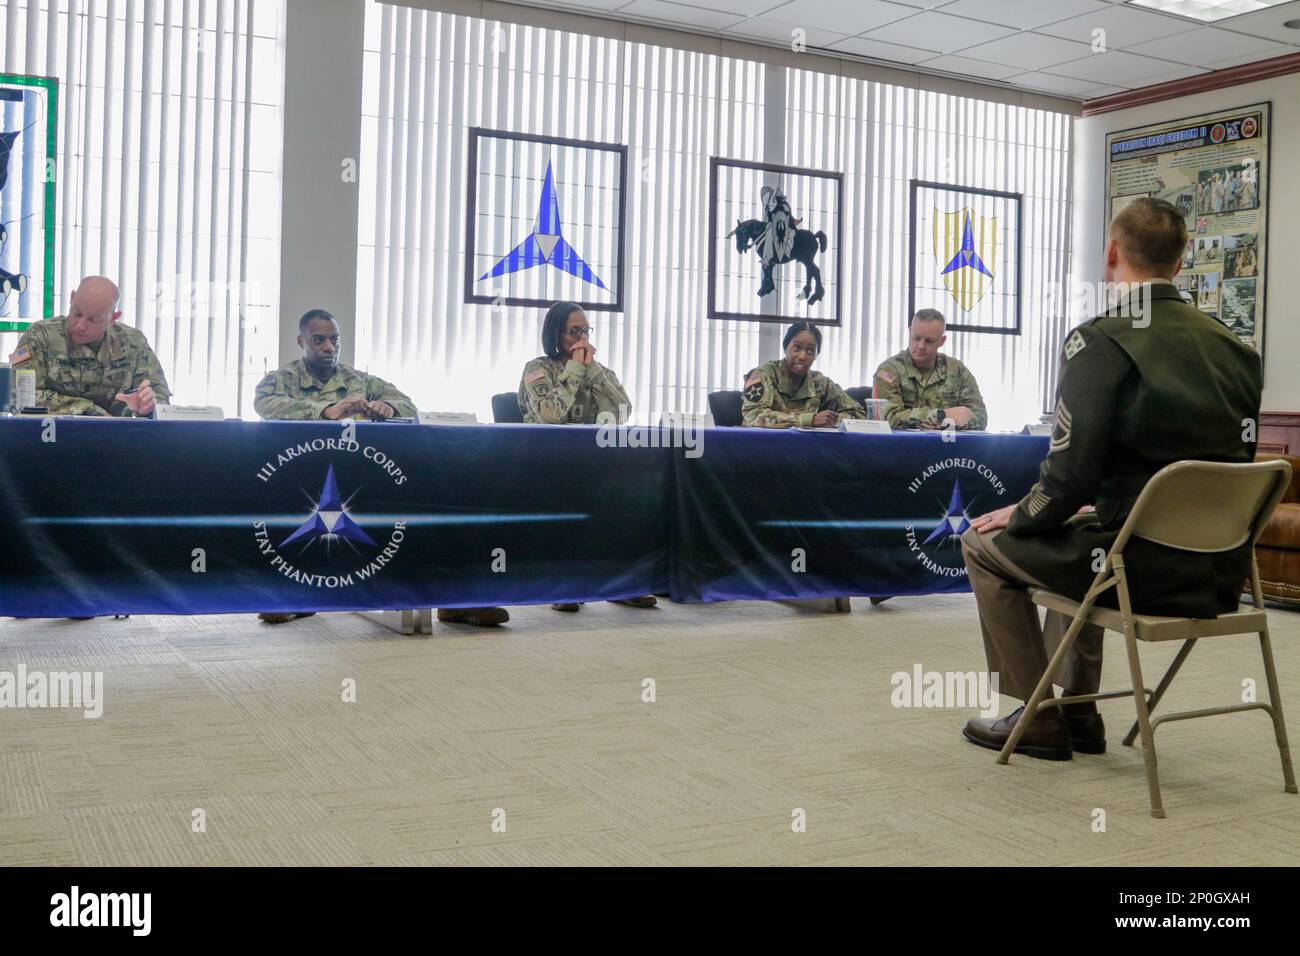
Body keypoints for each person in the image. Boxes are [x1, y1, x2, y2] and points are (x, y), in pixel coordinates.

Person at [959, 197, 1262, 761]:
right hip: (1219, 574)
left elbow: (1069, 478)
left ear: (1112, 254)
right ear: (1181, 261)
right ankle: (1079, 711)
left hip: (1134, 569)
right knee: (1084, 531)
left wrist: (1025, 511)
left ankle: (1039, 716)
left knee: (982, 541)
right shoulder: (1236, 349)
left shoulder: (1100, 340)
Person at [255, 309, 508, 628]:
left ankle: (451, 598)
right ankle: (292, 597)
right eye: (319, 340)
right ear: (301, 341)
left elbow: (407, 404)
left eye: (334, 340)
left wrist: (388, 408)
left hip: (368, 474)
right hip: (306, 477)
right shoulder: (282, 379)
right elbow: (265, 404)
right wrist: (325, 410)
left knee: (440, 499)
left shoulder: (358, 379)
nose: (328, 347)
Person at [519, 301, 656, 614]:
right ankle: (564, 584)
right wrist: (575, 370)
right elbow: (550, 415)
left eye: (586, 330)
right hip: (548, 463)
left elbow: (623, 410)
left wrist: (591, 370)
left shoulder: (597, 370)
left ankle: (621, 583)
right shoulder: (537, 369)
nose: (582, 338)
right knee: (569, 498)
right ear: (556, 334)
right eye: (574, 332)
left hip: (594, 462)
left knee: (636, 496)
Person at [8, 275, 169, 417]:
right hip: (52, 438)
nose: (80, 325)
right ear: (71, 298)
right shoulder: (38, 336)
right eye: (76, 313)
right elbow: (21, 395)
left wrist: (145, 408)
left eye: (93, 320)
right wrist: (89, 409)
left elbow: (160, 398)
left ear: (113, 317)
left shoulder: (134, 342)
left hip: (119, 440)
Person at [872, 309, 987, 430]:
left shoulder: (957, 370)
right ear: (910, 331)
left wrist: (950, 423)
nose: (921, 346)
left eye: (929, 341)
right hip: (902, 446)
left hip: (948, 445)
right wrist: (941, 416)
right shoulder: (888, 371)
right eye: (916, 338)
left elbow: (980, 416)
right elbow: (888, 418)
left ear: (941, 341)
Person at [741, 321, 866, 428]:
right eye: (797, 348)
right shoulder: (764, 374)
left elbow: (858, 414)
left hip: (805, 447)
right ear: (785, 348)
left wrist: (831, 420)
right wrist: (809, 420)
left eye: (810, 351)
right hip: (764, 446)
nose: (803, 356)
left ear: (816, 356)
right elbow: (753, 414)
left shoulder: (820, 382)